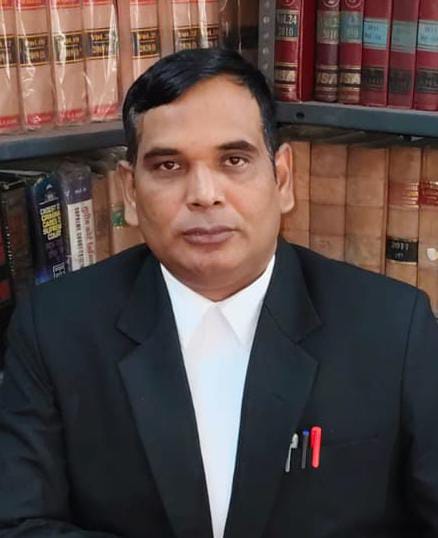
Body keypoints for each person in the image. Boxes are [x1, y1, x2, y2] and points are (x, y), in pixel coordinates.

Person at [1, 48, 438, 538]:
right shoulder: (55, 329)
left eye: (234, 160)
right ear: (130, 192)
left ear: (283, 179)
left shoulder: (393, 327)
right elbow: (18, 524)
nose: (204, 194)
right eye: (169, 166)